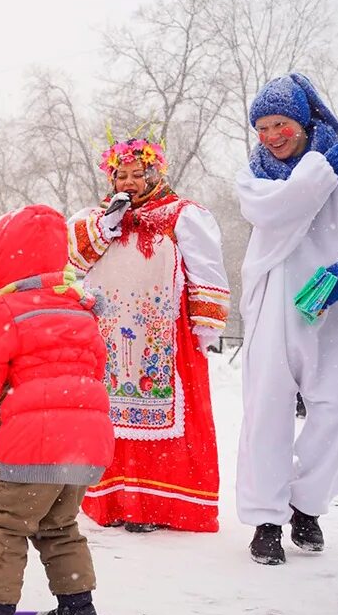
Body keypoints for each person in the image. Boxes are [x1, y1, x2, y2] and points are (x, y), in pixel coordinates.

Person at [235, 73, 338, 565]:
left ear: (303, 121)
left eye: (280, 123)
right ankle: (266, 518)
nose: (271, 136)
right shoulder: (256, 176)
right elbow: (283, 209)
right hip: (276, 306)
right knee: (267, 411)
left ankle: (306, 504)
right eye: (261, 127)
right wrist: (330, 164)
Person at [0, 204, 115, 615]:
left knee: (6, 525)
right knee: (60, 524)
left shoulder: (5, 309)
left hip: (35, 443)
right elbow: (96, 369)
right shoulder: (80, 306)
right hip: (87, 444)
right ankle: (78, 610)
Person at [67, 133, 230, 533]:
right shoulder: (96, 219)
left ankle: (160, 504)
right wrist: (106, 227)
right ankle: (119, 499)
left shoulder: (183, 215)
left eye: (138, 174)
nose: (128, 183)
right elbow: (71, 263)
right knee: (112, 419)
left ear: (155, 173)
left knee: (166, 418)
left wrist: (205, 324)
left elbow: (206, 271)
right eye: (121, 175)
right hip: (109, 339)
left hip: (165, 337)